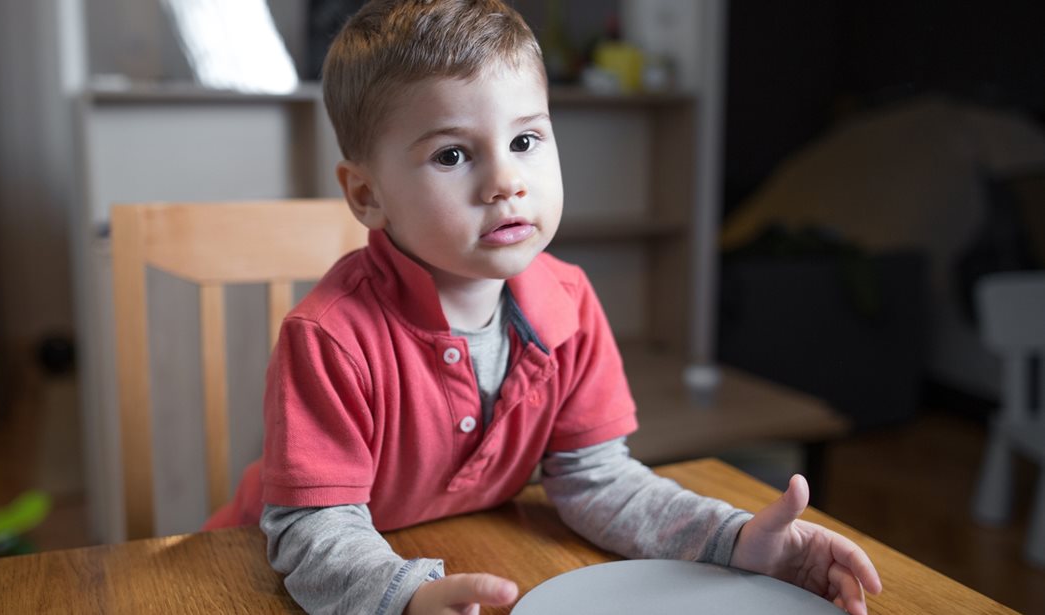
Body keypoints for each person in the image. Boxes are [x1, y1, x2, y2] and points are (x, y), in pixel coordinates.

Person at [209, 1, 883, 613]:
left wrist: (733, 538)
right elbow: (312, 529)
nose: (506, 181)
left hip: (465, 550)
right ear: (366, 196)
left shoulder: (567, 303)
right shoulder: (330, 336)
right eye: (451, 154)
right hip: (271, 576)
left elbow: (598, 482)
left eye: (525, 141)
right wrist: (404, 597)